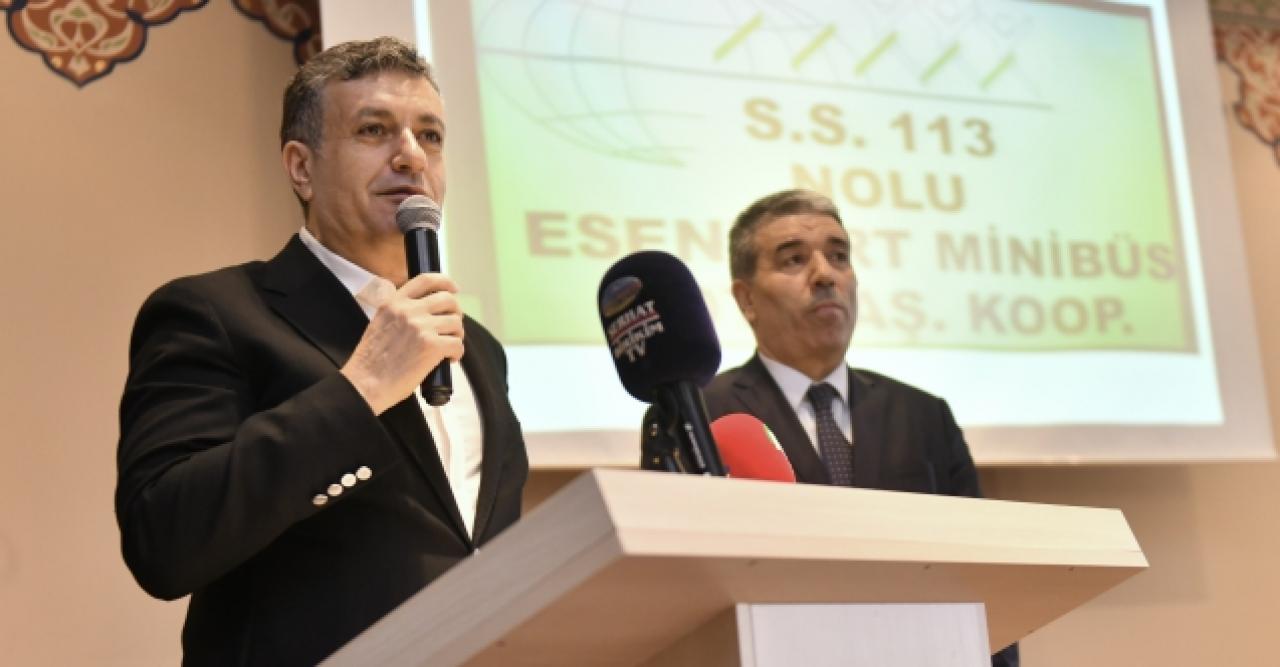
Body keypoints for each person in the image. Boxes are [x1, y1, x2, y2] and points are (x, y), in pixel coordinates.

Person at [115, 38, 528, 666]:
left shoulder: (480, 349)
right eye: (374, 130)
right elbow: (163, 540)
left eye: (431, 136)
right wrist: (363, 387)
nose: (412, 156)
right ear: (301, 168)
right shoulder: (216, 313)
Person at [675, 188, 1018, 666]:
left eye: (839, 256)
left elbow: (983, 575)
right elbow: (682, 595)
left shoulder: (924, 415)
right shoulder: (700, 418)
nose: (825, 275)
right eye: (794, 260)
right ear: (746, 298)